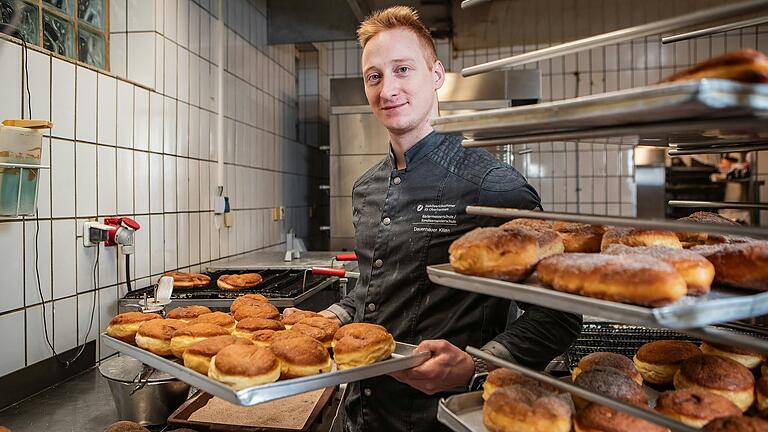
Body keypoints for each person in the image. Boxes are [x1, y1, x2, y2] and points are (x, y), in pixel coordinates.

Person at [284, 6, 582, 432]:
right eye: (375, 76)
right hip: (362, 415)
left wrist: (476, 364)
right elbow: (372, 293)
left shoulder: (494, 186)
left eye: (403, 69)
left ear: (437, 74)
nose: (388, 89)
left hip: (442, 418)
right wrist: (329, 318)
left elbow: (559, 315)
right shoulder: (367, 188)